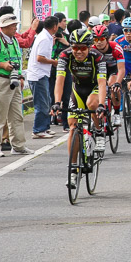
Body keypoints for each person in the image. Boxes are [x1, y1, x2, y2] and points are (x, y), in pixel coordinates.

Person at [53, 28, 107, 188]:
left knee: (92, 103)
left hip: (95, 89)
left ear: (89, 47)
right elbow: (60, 80)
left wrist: (102, 105)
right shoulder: (65, 55)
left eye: (82, 48)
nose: (78, 51)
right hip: (77, 90)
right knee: (72, 126)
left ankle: (98, 131)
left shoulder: (98, 57)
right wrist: (57, 102)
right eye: (75, 47)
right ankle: (73, 170)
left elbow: (103, 83)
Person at [0, 12, 32, 157]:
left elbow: (17, 60)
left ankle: (18, 146)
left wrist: (19, 76)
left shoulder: (14, 41)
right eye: (12, 25)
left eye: (15, 25)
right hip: (1, 80)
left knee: (17, 116)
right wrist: (1, 64)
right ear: (4, 27)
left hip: (14, 81)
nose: (15, 27)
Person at [26, 16, 59, 139]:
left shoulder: (46, 36)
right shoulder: (45, 38)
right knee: (42, 103)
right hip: (38, 75)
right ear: (54, 26)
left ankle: (45, 127)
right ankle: (38, 130)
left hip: (41, 74)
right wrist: (53, 62)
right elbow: (40, 58)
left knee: (46, 100)